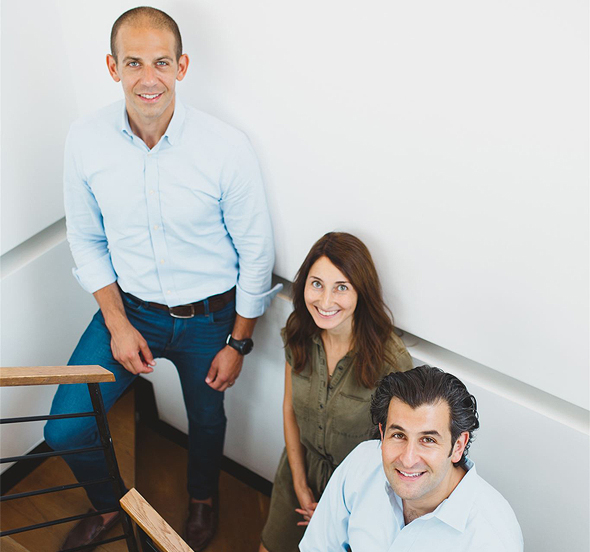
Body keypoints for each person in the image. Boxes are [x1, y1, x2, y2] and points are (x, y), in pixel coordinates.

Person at [43, 7, 278, 551]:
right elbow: (86, 239)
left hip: (210, 321)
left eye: (161, 62)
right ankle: (107, 506)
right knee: (65, 429)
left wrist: (238, 341)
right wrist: (118, 324)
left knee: (206, 418)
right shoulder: (84, 140)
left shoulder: (226, 147)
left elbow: (255, 251)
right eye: (133, 63)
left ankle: (202, 498)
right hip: (129, 311)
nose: (148, 78)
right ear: (112, 67)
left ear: (181, 66)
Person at [259, 232, 412, 552]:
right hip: (298, 468)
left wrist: (335, 502)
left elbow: (400, 446)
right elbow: (289, 409)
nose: (325, 301)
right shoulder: (298, 331)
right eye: (316, 284)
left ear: (361, 292)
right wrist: (300, 486)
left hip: (358, 488)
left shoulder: (391, 359)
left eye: (341, 287)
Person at [300, 365, 524, 551]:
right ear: (382, 432)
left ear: (458, 445)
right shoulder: (363, 462)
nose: (408, 459)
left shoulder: (491, 539)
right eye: (398, 435)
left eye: (428, 440)